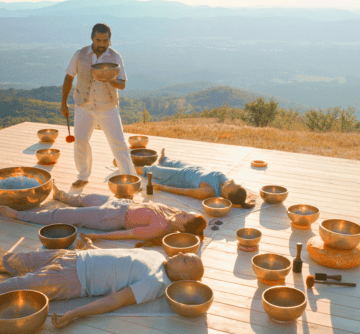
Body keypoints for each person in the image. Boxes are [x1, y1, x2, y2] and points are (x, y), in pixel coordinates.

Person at [0, 235, 204, 329]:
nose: (179, 253)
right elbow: (119, 258)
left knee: (14, 286)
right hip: (74, 256)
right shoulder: (158, 256)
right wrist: (91, 249)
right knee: (13, 260)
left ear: (185, 278)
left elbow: (115, 301)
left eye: (185, 259)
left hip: (72, 279)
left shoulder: (155, 283)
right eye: (184, 253)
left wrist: (73, 313)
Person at [0, 183, 207, 247]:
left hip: (109, 218)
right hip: (120, 203)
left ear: (181, 228)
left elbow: (127, 235)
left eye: (186, 218)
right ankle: (61, 194)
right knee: (84, 197)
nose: (183, 214)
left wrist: (98, 236)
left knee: (63, 214)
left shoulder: (160, 228)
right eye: (187, 213)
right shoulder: (174, 212)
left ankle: (18, 215)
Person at [60, 22, 136, 189]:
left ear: (110, 40)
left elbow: (122, 84)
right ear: (92, 38)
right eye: (98, 40)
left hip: (107, 107)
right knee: (80, 141)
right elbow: (69, 78)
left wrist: (110, 78)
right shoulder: (80, 54)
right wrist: (64, 102)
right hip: (83, 106)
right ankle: (83, 176)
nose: (101, 44)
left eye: (105, 40)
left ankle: (130, 179)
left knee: (119, 143)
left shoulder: (115, 57)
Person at [136, 149, 255, 208]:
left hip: (180, 177)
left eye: (232, 186)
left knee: (155, 171)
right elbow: (237, 194)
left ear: (227, 196)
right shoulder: (225, 183)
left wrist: (162, 187)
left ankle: (130, 167)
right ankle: (163, 160)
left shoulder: (208, 191)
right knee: (176, 162)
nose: (232, 181)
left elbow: (185, 191)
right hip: (195, 169)